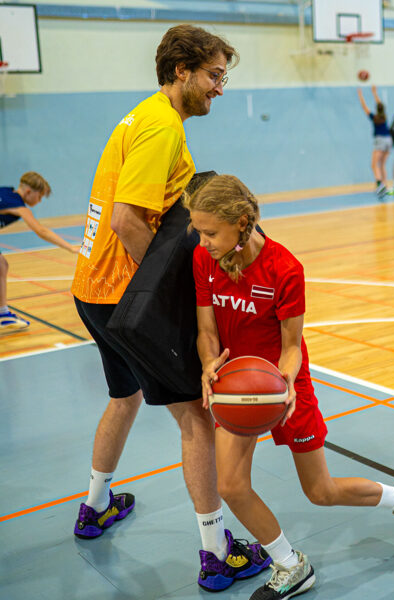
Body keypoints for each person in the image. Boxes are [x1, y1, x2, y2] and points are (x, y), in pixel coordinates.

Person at [70, 25, 271, 591]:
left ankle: (96, 505)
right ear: (180, 71)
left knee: (123, 395)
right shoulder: (160, 127)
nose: (220, 88)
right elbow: (126, 221)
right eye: (213, 76)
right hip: (121, 295)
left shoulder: (144, 116)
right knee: (196, 418)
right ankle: (216, 550)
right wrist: (167, 297)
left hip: (90, 289)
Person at [188, 175, 394, 600]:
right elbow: (206, 328)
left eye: (210, 231)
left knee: (320, 492)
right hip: (236, 388)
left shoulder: (285, 269)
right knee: (230, 485)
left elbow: (291, 348)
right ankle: (291, 565)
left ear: (242, 223)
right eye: (198, 229)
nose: (202, 239)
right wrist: (208, 362)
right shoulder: (202, 259)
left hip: (283, 385)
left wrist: (285, 383)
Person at [0, 172, 77, 332]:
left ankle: (3, 314)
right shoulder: (18, 205)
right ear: (29, 192)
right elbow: (41, 231)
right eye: (40, 196)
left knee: (2, 265)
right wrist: (69, 247)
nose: (40, 201)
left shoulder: (6, 191)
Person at [357, 86, 393, 198]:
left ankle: (379, 186)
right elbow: (379, 105)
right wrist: (374, 93)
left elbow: (364, 107)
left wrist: (360, 95)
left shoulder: (374, 117)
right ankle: (385, 186)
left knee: (374, 165)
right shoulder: (384, 116)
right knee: (382, 165)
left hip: (380, 140)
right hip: (389, 140)